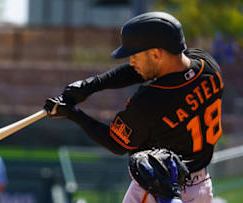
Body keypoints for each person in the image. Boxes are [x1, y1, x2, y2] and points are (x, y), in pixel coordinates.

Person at [43, 12, 224, 203]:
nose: (131, 61)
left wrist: (73, 114)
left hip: (159, 189)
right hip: (202, 187)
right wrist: (92, 85)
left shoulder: (150, 100)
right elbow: (145, 71)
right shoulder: (208, 66)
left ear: (156, 53)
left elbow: (116, 143)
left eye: (135, 55)